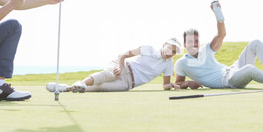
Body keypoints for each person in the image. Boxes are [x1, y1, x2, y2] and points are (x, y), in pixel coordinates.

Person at [175, 1, 263, 90]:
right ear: (184, 44)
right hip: (228, 81)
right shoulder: (181, 63)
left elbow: (221, 34)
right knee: (249, 69)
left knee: (255, 43)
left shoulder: (206, 49)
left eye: (196, 41)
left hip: (233, 70)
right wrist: (188, 83)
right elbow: (178, 83)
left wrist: (218, 14)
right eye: (190, 42)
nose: (194, 44)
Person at [46, 38, 182, 93]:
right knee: (109, 74)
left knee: (102, 88)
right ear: (164, 45)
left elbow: (165, 85)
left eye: (174, 52)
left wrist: (171, 85)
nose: (171, 53)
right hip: (123, 67)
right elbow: (123, 55)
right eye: (170, 48)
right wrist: (120, 66)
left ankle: (66, 88)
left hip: (128, 84)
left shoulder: (169, 64)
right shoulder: (148, 49)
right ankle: (80, 82)